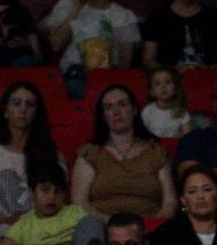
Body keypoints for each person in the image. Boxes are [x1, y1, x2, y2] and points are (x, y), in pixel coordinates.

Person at [71, 83, 175, 227]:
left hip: (149, 229)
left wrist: (146, 226)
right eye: (108, 107)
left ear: (134, 110)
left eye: (122, 104)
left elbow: (169, 204)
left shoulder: (156, 152)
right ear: (103, 116)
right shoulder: (90, 153)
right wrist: (112, 225)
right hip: (102, 227)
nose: (116, 111)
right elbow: (79, 203)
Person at [0, 80, 61, 225]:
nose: (23, 109)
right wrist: (7, 219)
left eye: (29, 104)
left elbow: (57, 203)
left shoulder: (51, 154)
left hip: (43, 229)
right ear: (5, 111)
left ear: (36, 113)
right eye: (16, 103)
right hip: (2, 229)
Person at [42, 0, 140, 85]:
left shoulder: (123, 15)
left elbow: (125, 63)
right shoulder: (66, 5)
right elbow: (56, 45)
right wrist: (77, 7)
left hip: (108, 74)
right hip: (75, 72)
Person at [151, 159, 217, 245]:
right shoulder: (165, 236)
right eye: (192, 192)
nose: (200, 197)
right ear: (183, 200)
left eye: (207, 189)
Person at [142, 0, 217, 71]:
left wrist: (206, 71)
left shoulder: (213, 17)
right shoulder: (157, 18)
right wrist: (175, 70)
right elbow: (148, 61)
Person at [142, 62, 206, 142]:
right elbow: (142, 135)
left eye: (168, 82)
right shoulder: (147, 111)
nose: (163, 87)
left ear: (175, 88)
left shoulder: (181, 111)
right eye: (157, 84)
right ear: (152, 92)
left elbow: (188, 137)